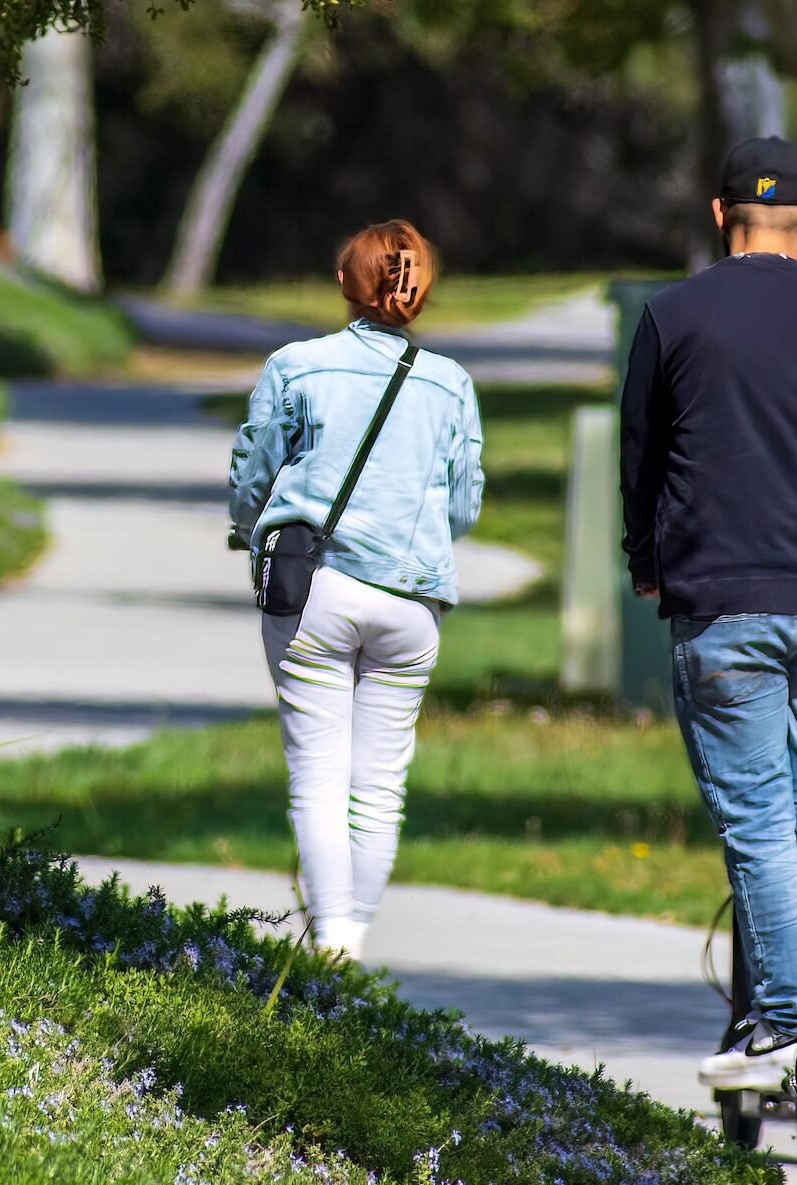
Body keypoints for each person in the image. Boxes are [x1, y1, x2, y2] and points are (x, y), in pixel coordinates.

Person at [619, 137, 797, 1089]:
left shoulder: (673, 315)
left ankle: (792, 1029)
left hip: (719, 606)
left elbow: (642, 458)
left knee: (755, 821)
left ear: (718, 215)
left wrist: (647, 562)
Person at [227, 220, 484, 960]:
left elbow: (252, 479)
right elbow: (461, 507)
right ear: (421, 291)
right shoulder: (451, 384)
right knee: (379, 784)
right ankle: (353, 936)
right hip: (413, 604)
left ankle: (332, 945)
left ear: (345, 282)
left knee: (317, 777)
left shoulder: (297, 366)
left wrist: (250, 525)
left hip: (317, 591)